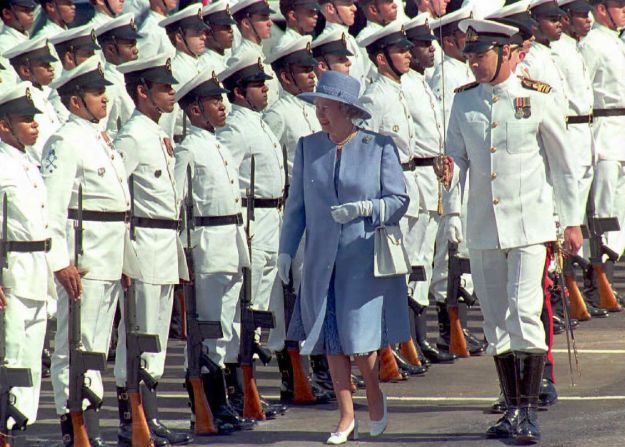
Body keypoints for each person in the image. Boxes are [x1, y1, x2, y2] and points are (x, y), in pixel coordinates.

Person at [438, 18, 582, 443]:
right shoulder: (464, 103)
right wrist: (451, 215)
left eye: (480, 56)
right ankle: (511, 407)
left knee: (523, 311)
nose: (474, 65)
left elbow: (563, 164)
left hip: (529, 224)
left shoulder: (536, 97)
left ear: (505, 53)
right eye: (470, 57)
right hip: (483, 226)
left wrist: (571, 221)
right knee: (498, 321)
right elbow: (453, 163)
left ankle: (528, 411)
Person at [279, 71, 410, 444]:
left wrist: (366, 208)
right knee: (329, 335)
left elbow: (399, 200)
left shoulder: (378, 146)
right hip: (321, 259)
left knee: (358, 338)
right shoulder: (308, 148)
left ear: (347, 111)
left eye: (328, 108)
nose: (321, 114)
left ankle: (372, 392)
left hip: (362, 256)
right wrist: (287, 251)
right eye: (318, 107)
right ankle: (346, 415)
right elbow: (296, 209)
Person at [42, 56, 129, 447]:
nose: (104, 100)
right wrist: (60, 262)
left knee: (96, 347)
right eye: (96, 94)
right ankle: (74, 424)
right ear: (75, 101)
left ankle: (89, 422)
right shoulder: (65, 141)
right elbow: (53, 207)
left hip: (109, 255)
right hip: (85, 259)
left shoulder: (98, 138)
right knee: (75, 346)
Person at [113, 53, 192, 446]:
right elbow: (116, 194)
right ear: (142, 92)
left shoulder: (155, 132)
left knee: (157, 335)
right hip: (143, 243)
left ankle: (151, 417)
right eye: (163, 87)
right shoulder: (131, 136)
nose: (171, 92)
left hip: (164, 242)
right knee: (139, 334)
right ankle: (133, 421)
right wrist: (123, 253)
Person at [173, 69, 257, 433]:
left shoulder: (219, 144)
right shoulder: (189, 149)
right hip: (206, 247)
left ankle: (222, 405)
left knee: (226, 328)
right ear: (194, 110)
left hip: (230, 244)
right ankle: (207, 406)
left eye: (221, 100)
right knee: (207, 329)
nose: (222, 107)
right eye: (213, 102)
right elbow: (176, 204)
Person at [216, 48, 288, 420]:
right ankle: (236, 391)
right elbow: (223, 180)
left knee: (259, 309)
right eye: (256, 85)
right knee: (244, 309)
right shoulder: (235, 128)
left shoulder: (259, 123)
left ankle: (251, 390)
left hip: (271, 219)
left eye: (263, 83)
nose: (264, 90)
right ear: (239, 92)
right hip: (252, 221)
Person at [357, 21, 427, 380]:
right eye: (400, 51)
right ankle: (382, 350)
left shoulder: (398, 90)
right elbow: (366, 151)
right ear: (381, 59)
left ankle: (397, 345)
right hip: (389, 189)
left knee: (404, 270)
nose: (408, 54)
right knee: (386, 274)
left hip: (410, 183)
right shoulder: (375, 96)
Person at [402, 12, 456, 365]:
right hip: (416, 177)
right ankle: (407, 338)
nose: (430, 50)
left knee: (426, 261)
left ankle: (420, 337)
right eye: (423, 45)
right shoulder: (404, 86)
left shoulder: (422, 82)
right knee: (412, 263)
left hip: (433, 176)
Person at [0, 82, 50, 447]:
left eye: (34, 118)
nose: (34, 124)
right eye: (24, 119)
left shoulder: (28, 163)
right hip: (12, 270)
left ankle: (13, 429)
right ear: (4, 125)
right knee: (9, 355)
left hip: (37, 268)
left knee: (29, 357)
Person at [579, 0, 625, 299]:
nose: (624, 10)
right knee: (602, 209)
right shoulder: (592, 44)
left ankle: (607, 272)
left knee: (618, 208)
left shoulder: (616, 41)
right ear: (601, 9)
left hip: (620, 129)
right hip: (605, 130)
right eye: (618, 6)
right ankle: (597, 279)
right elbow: (584, 89)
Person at [4, 37, 61, 165]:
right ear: (26, 71)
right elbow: (35, 146)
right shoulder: (22, 101)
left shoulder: (42, 94)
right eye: (45, 65)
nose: (51, 68)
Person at [230, 0, 283, 106]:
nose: (270, 23)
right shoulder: (241, 58)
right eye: (263, 18)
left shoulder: (260, 54)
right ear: (246, 23)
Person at [95, 12, 140, 138]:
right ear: (110, 49)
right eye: (129, 45)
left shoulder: (129, 78)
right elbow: (98, 130)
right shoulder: (109, 83)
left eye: (135, 44)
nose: (136, 49)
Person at [316, 0, 372, 90]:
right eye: (347, 4)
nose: (354, 8)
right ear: (330, 8)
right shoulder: (326, 43)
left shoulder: (350, 38)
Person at [0, 0, 36, 84]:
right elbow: (8, 85)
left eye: (32, 10)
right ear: (7, 13)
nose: (31, 14)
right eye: (25, 10)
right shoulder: (3, 45)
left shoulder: (27, 40)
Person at [199, 1, 236, 73]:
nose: (231, 30)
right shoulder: (206, 66)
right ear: (208, 32)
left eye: (230, 26)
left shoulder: (228, 57)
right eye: (225, 27)